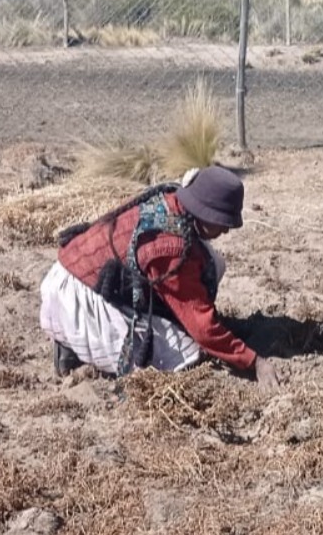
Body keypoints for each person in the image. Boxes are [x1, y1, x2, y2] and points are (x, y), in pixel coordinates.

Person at [39, 166, 280, 387]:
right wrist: (254, 361)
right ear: (205, 214)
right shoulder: (170, 248)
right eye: (222, 222)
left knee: (212, 264)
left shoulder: (174, 200)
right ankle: (72, 346)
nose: (226, 230)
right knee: (184, 354)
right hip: (76, 294)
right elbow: (203, 330)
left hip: (88, 271)